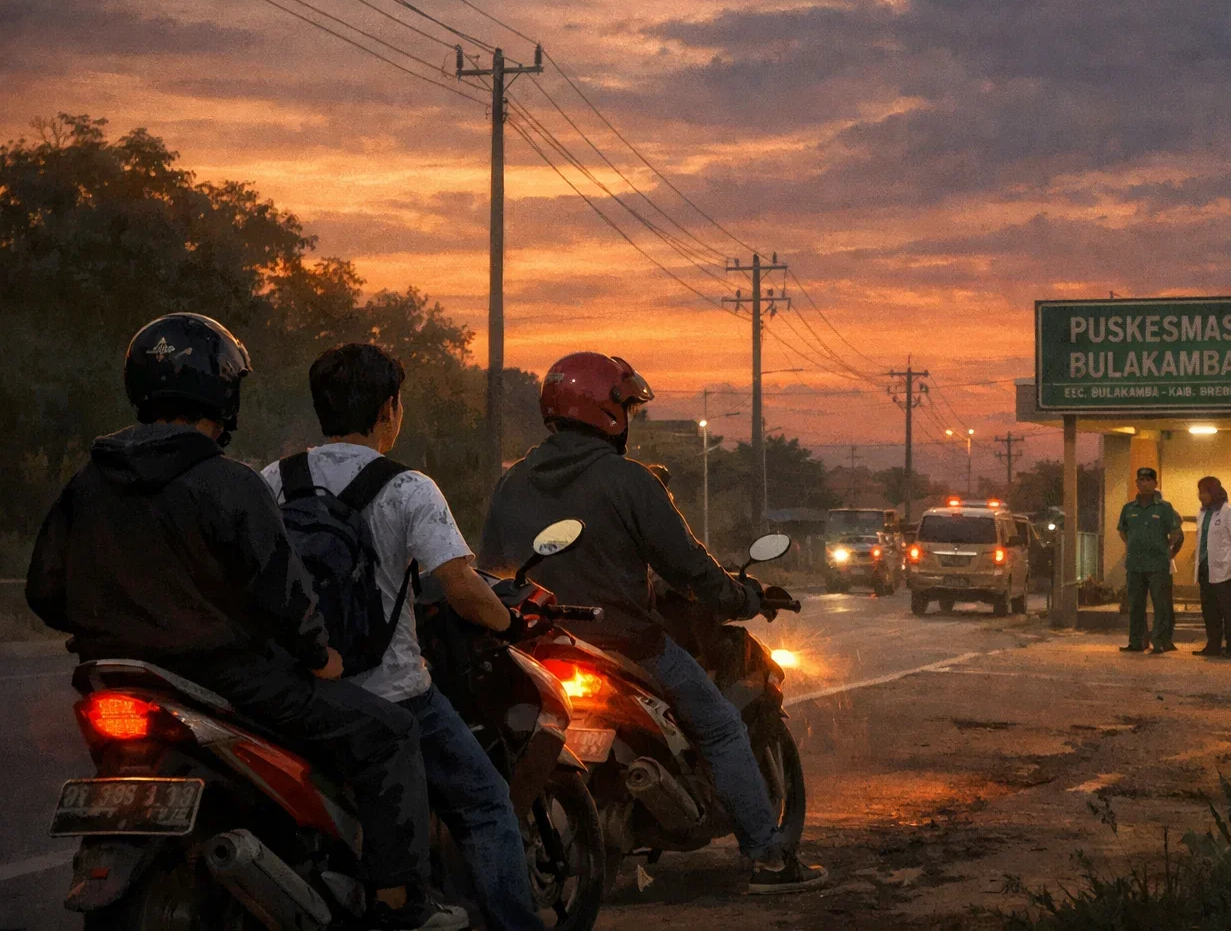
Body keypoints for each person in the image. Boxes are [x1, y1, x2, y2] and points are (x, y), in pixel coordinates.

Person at [25, 315, 463, 931]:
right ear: (223, 392)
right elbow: (284, 595)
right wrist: (320, 656)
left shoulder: (88, 482)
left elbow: (44, 592)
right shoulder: (228, 483)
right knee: (389, 733)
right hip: (231, 680)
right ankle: (400, 904)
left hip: (120, 676)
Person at [480, 352, 827, 894]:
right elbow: (688, 567)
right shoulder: (631, 481)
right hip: (627, 647)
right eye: (629, 409)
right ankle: (767, 857)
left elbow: (494, 571)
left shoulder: (512, 482)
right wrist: (742, 599)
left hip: (541, 651)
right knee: (721, 727)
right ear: (609, 411)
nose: (631, 420)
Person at [261, 344, 541, 931]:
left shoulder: (274, 481)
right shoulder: (409, 488)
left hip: (300, 691)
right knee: (487, 803)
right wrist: (510, 623)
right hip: (393, 692)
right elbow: (461, 587)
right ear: (389, 408)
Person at [1116, 467, 1184, 655]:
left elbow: (1175, 533)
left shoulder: (1164, 508)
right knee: (1136, 605)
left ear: (1155, 484)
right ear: (1136, 483)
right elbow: (1122, 531)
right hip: (1135, 564)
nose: (1144, 483)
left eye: (1148, 480)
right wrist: (1134, 545)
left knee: (1161, 605)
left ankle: (1160, 642)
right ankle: (1137, 642)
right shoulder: (1128, 508)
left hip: (1158, 564)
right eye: (1141, 480)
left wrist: (1163, 548)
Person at [1191, 476, 1231, 659]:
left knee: (1228, 610)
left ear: (1214, 492)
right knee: (1210, 610)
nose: (1200, 496)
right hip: (1205, 567)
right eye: (1199, 492)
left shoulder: (1229, 512)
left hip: (1225, 568)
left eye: (1204, 492)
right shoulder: (1202, 513)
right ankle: (1213, 646)